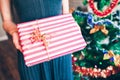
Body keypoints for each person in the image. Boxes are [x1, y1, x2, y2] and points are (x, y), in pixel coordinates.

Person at [0, 0, 73, 80]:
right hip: (29, 48)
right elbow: (7, 21)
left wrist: (71, 26)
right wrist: (14, 31)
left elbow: (65, 14)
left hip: (60, 47)